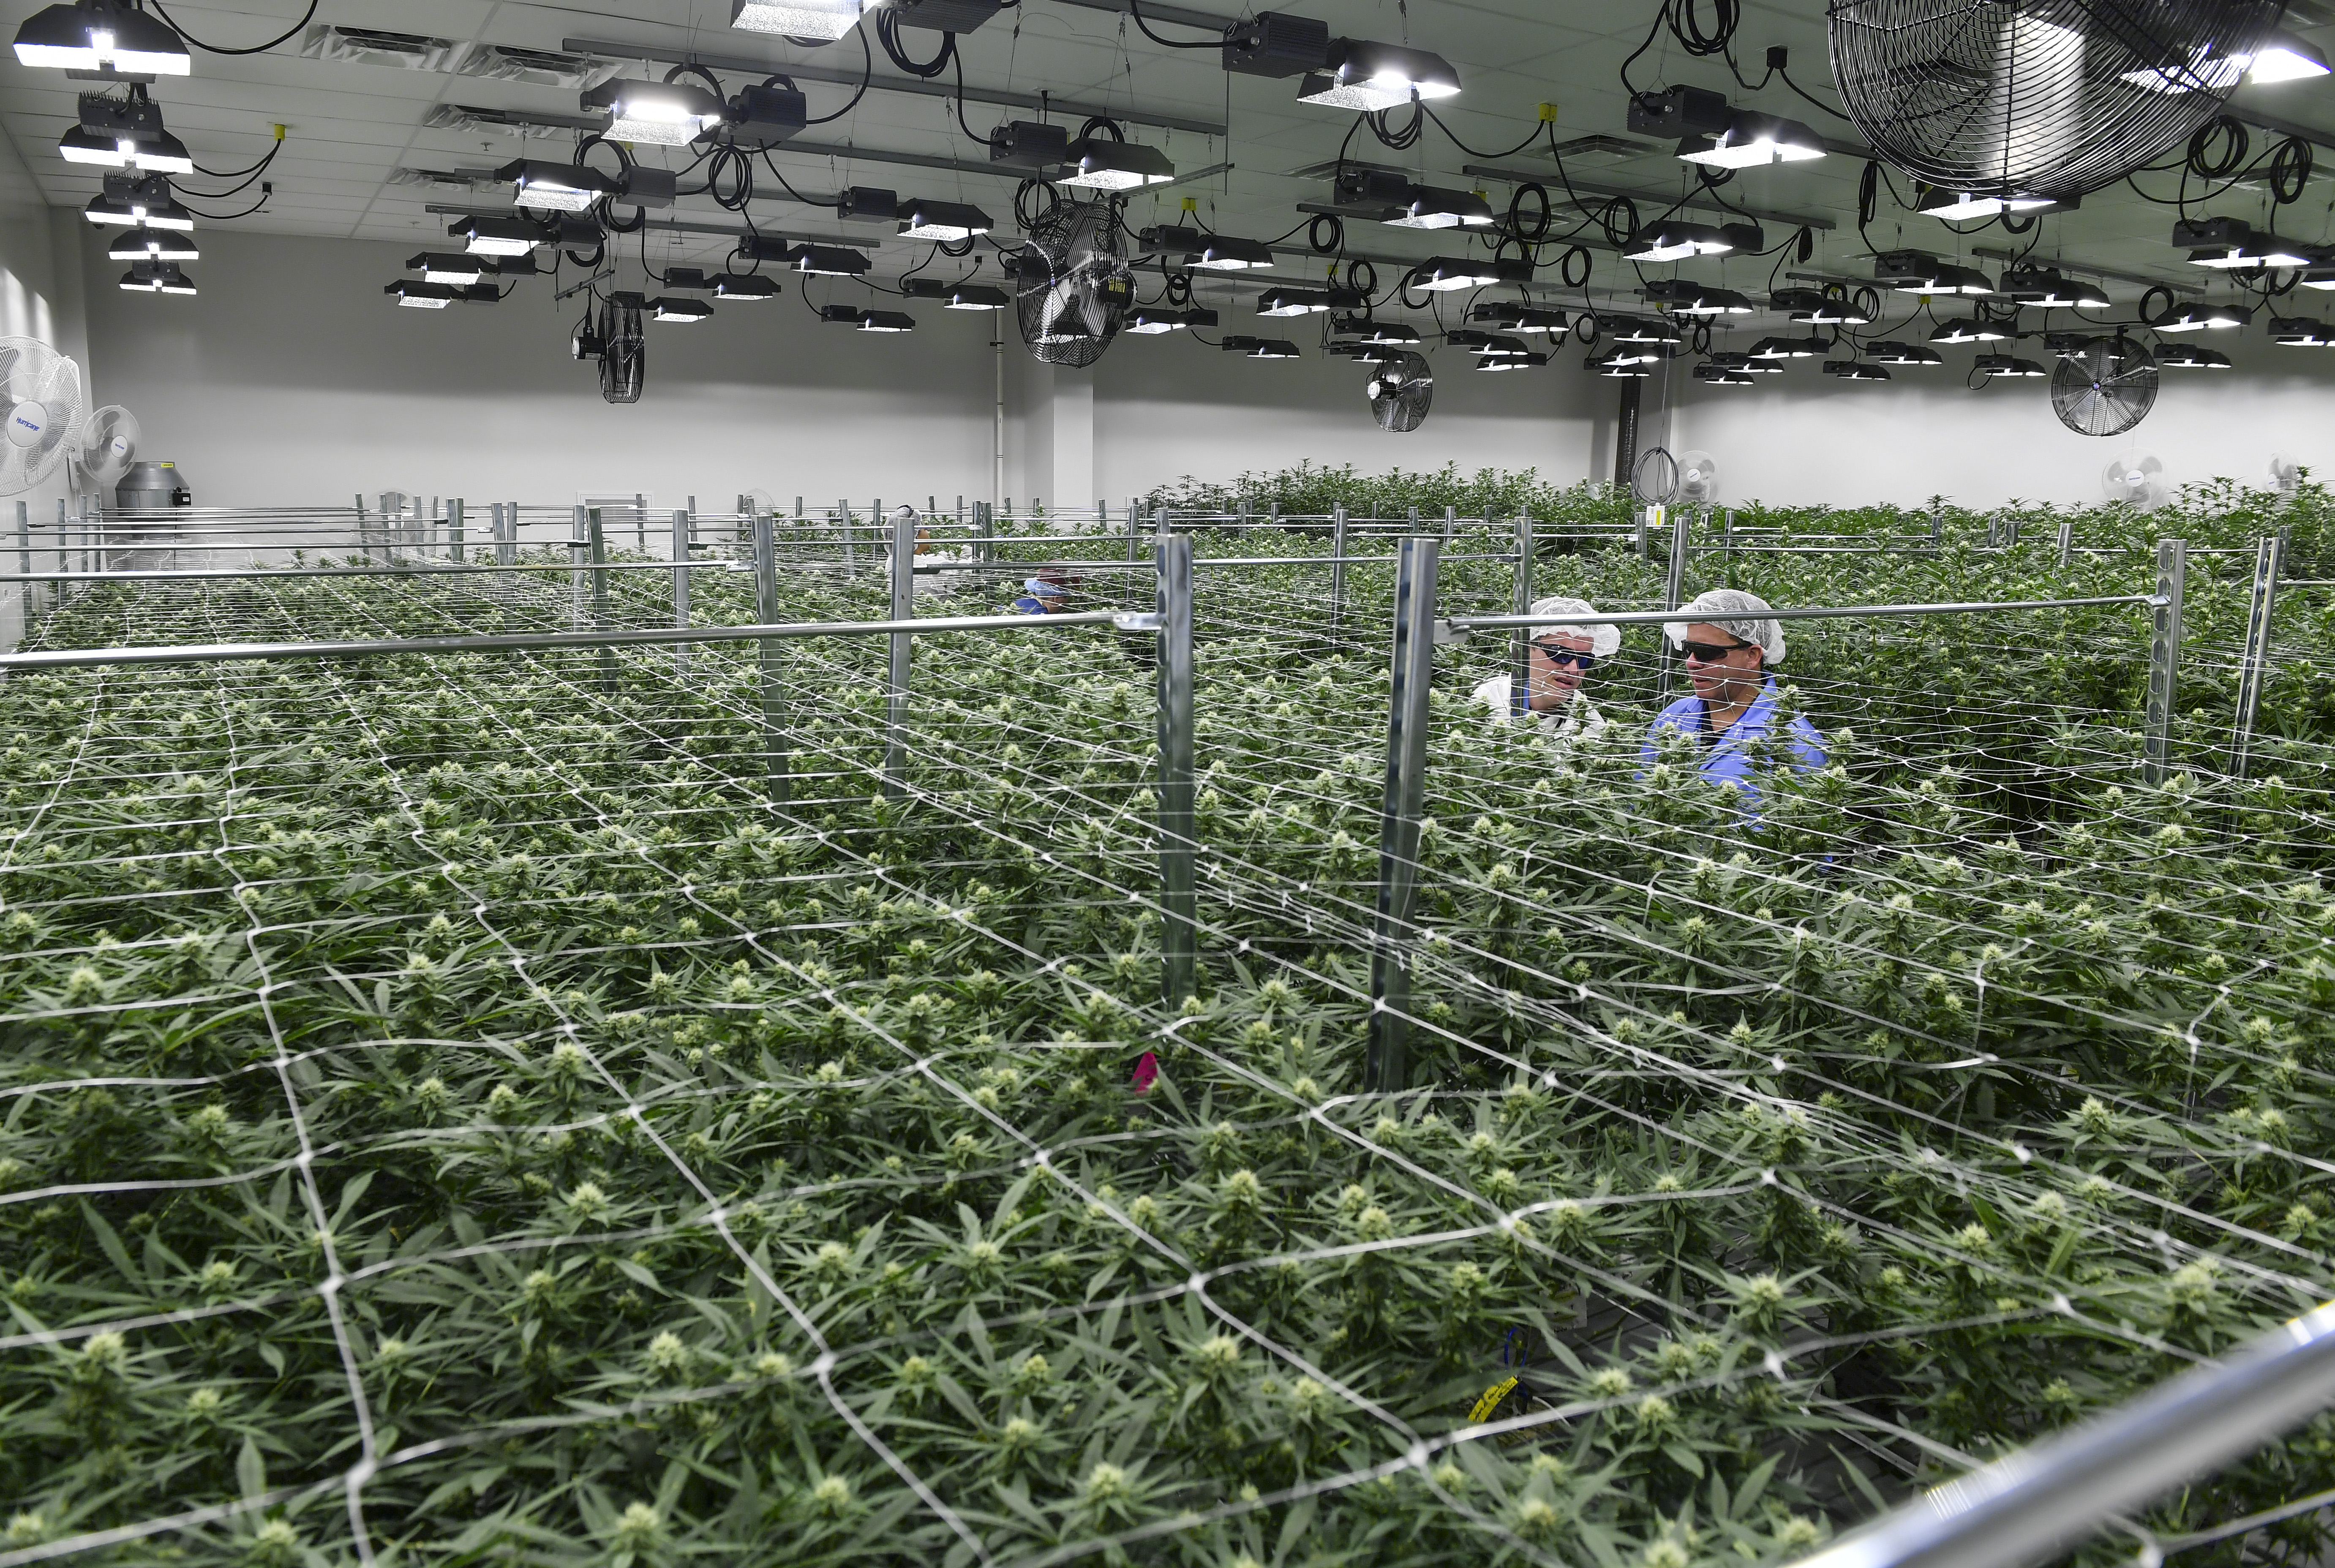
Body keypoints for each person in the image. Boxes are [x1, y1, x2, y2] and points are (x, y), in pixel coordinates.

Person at [1643, 588, 1826, 795]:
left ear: (1752, 656)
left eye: (1706, 652)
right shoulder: (1673, 718)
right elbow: (1638, 797)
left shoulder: (1793, 739)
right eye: (1688, 650)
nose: (1691, 663)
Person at [1471, 595, 1616, 745]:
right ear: (1525, 651)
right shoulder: (1487, 702)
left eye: (1585, 660)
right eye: (1561, 654)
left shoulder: (1588, 719)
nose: (1574, 669)